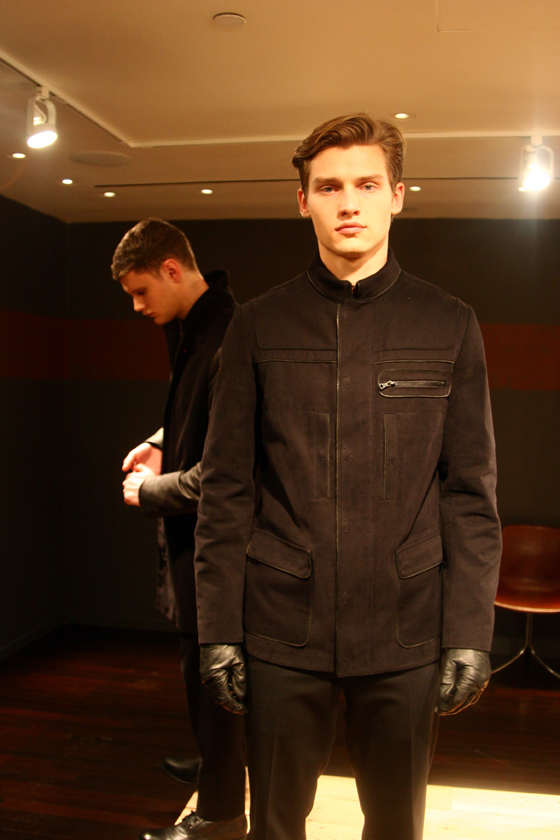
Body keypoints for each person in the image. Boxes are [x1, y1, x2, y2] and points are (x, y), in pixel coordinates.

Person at [193, 115, 502, 840]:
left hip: (406, 630)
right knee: (275, 823)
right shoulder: (258, 325)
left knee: (396, 825)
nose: (349, 204)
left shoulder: (450, 324)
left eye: (366, 184)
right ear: (303, 201)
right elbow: (226, 489)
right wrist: (218, 629)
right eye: (329, 188)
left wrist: (469, 631)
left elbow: (471, 494)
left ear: (397, 195)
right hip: (281, 629)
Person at [112, 219, 247, 840]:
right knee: (198, 673)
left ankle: (219, 814)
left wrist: (150, 492)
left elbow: (223, 475)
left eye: (141, 291)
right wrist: (159, 440)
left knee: (213, 677)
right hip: (196, 547)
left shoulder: (228, 337)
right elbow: (198, 415)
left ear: (172, 269)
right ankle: (216, 765)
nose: (137, 307)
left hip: (218, 551)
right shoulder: (193, 328)